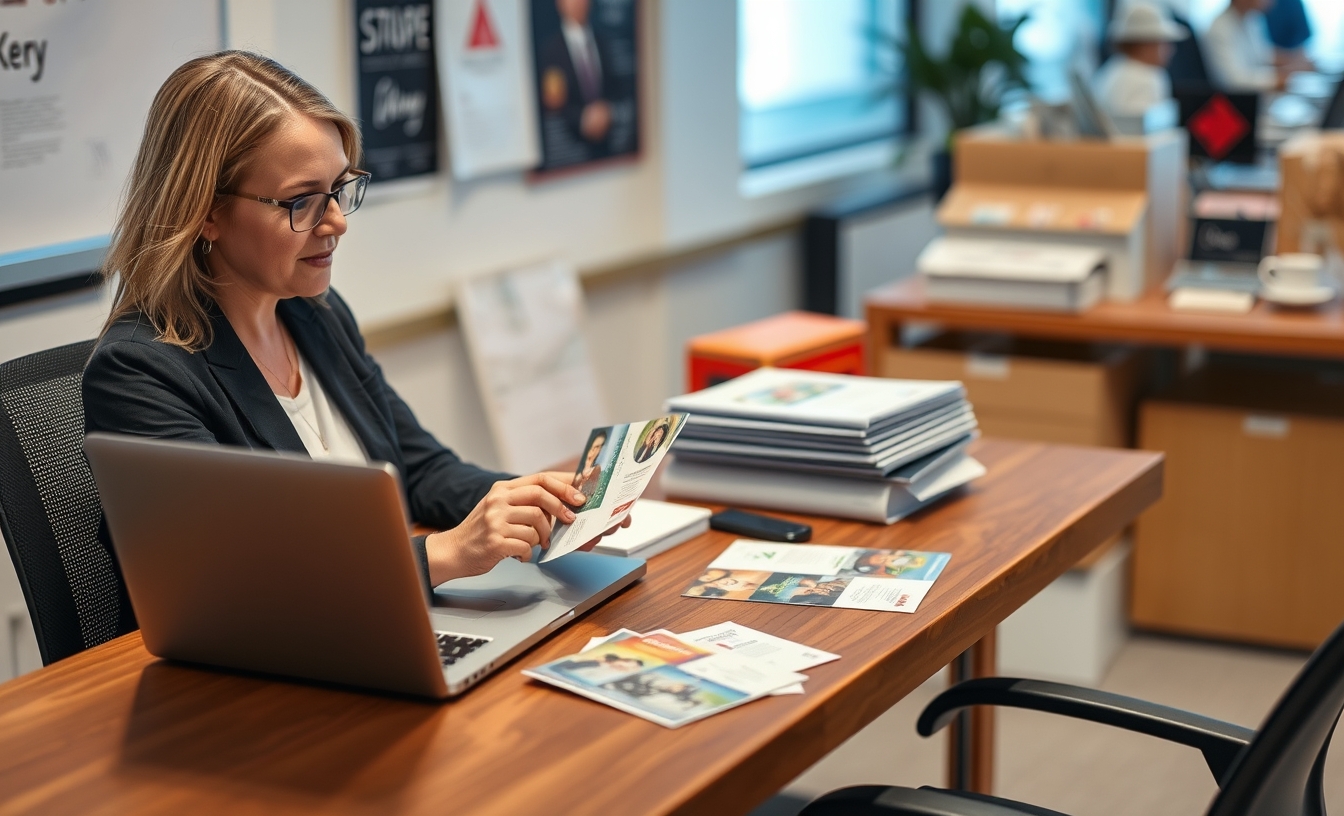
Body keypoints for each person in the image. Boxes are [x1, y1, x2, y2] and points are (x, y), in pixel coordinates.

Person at [83, 51, 624, 596]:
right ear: (208, 213)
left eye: (340, 189)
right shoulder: (140, 371)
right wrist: (441, 554)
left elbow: (419, 469)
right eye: (302, 202)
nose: (337, 222)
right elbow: (235, 577)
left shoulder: (315, 314)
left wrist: (533, 503)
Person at [1093, 3, 1187, 121]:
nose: (1171, 50)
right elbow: (1141, 129)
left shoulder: (1111, 69)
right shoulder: (1148, 78)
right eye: (1164, 42)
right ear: (1146, 45)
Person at [1203, 0, 1308, 92]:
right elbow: (1235, 81)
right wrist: (1282, 77)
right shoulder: (1220, 28)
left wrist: (1294, 63)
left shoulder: (1253, 18)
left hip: (1259, 96)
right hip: (1238, 104)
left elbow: (1262, 54)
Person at [571, 429, 609, 505]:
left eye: (599, 447)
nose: (595, 450)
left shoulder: (596, 469)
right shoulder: (579, 474)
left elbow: (587, 495)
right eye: (595, 447)